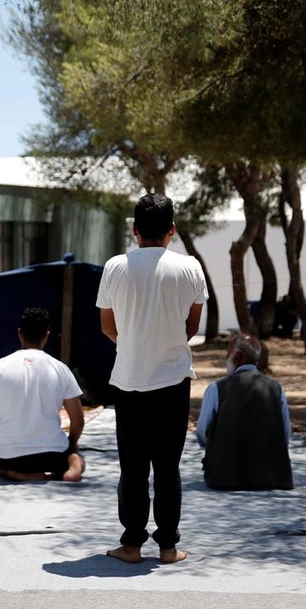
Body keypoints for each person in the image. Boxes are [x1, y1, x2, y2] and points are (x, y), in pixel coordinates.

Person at [97, 193, 208, 564]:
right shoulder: (190, 268)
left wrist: (134, 343)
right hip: (174, 380)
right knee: (167, 466)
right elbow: (192, 326)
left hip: (128, 379)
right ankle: (168, 547)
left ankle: (131, 545)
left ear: (135, 231)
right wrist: (166, 341)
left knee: (132, 467)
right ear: (172, 230)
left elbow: (107, 326)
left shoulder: (115, 267)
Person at [0, 307, 85, 482]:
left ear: (20, 334)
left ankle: (17, 474)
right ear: (47, 336)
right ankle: (73, 465)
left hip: (10, 457)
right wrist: (71, 444)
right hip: (53, 454)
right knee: (74, 454)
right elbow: (78, 420)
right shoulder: (61, 369)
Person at [195, 332, 293, 490]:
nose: (226, 357)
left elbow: (202, 432)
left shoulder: (217, 387)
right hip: (271, 477)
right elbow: (285, 433)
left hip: (225, 477)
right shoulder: (276, 388)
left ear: (237, 357)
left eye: (228, 353)